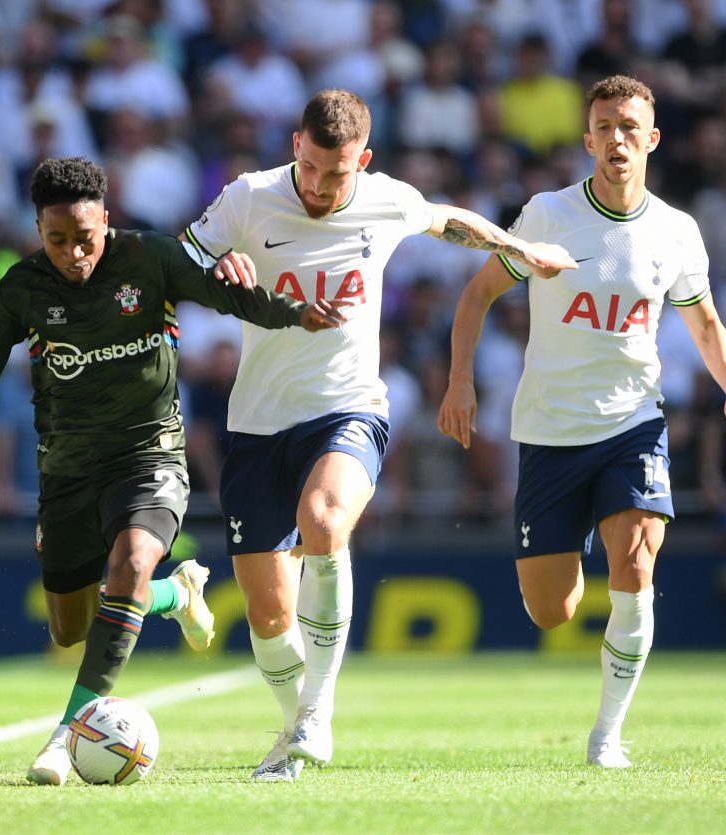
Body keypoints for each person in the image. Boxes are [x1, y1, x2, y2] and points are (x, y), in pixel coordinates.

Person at [0, 157, 348, 786]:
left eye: (85, 238)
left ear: (107, 220)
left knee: (130, 566)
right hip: (65, 473)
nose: (73, 254)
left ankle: (65, 734)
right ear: (38, 228)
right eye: (56, 239)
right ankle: (178, 595)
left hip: (149, 459)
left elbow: (223, 293)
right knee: (70, 627)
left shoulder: (150, 259)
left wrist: (291, 311)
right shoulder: (22, 288)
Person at [181, 89, 577, 781]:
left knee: (324, 521)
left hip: (347, 406)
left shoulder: (385, 198)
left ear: (360, 161)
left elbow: (448, 220)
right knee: (270, 614)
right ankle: (293, 721)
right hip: (256, 421)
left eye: (336, 175)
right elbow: (178, 262)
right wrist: (216, 271)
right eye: (309, 168)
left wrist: (519, 247)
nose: (319, 186)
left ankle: (316, 712)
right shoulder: (248, 197)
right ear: (295, 147)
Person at [437, 75, 726, 768]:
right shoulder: (548, 215)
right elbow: (476, 296)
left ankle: (606, 734)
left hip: (634, 424)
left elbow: (704, 321)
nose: (616, 138)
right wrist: (460, 379)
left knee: (637, 563)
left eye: (628, 126)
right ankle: (575, 542)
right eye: (604, 126)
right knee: (550, 608)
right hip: (551, 433)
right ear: (587, 139)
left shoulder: (676, 231)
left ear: (652, 138)